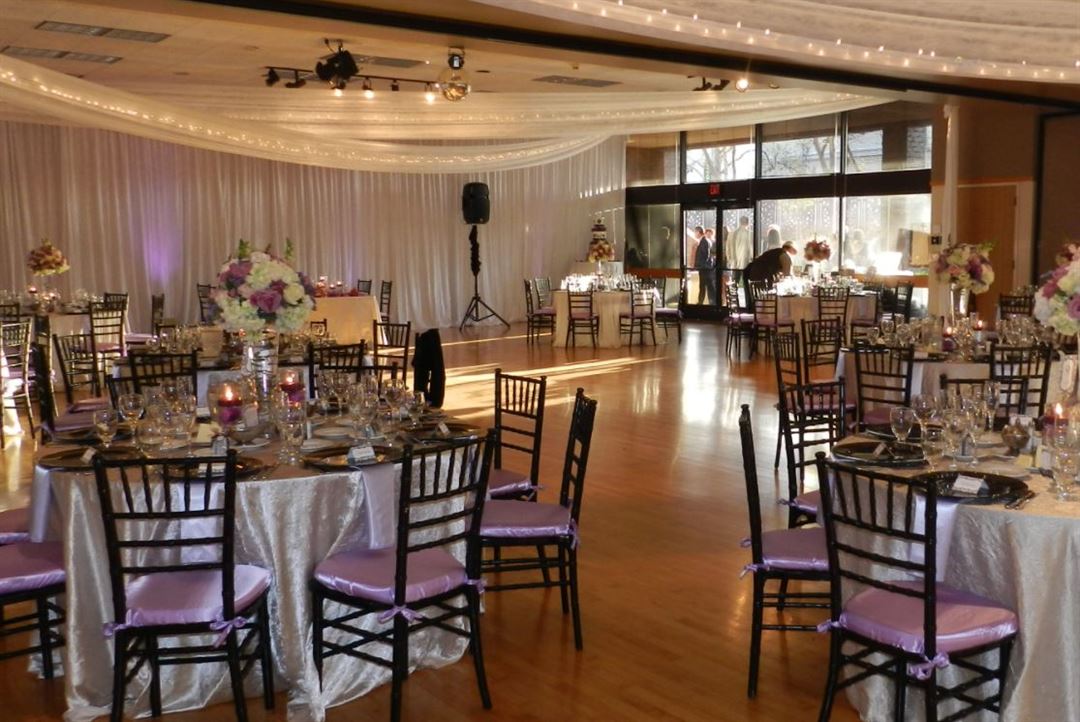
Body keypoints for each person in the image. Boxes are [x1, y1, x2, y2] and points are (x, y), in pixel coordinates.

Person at [696, 228, 717, 305]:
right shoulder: (706, 241)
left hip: (704, 268)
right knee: (709, 286)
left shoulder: (704, 241)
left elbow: (705, 255)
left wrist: (701, 265)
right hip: (707, 267)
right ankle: (711, 302)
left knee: (704, 286)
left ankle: (701, 303)